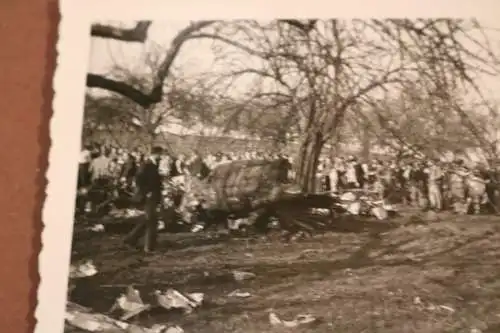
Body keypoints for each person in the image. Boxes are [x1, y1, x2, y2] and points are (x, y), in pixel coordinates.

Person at [124, 146, 164, 253]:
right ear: (156, 154)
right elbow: (139, 179)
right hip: (148, 197)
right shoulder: (146, 164)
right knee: (151, 220)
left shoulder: (154, 164)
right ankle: (149, 247)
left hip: (153, 196)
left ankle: (131, 240)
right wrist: (147, 192)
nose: (161, 157)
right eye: (160, 154)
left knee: (148, 220)